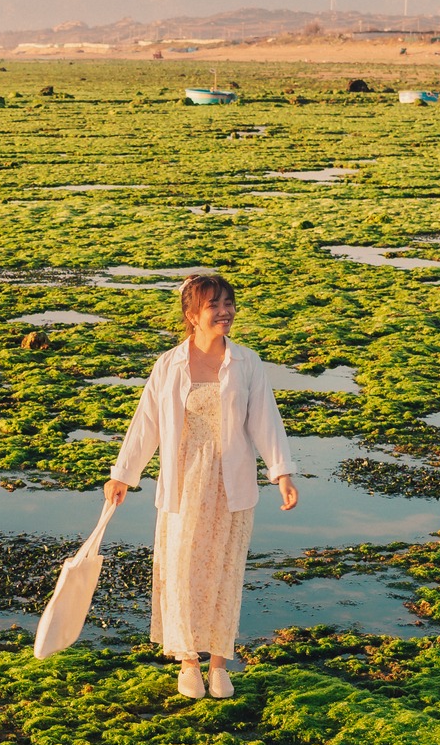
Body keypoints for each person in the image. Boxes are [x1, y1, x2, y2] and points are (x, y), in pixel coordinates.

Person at [105, 274, 298, 700]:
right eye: (214, 305)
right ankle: (189, 660)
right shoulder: (169, 364)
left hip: (232, 486)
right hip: (184, 483)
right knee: (183, 571)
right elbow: (146, 425)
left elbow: (266, 422)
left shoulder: (247, 363)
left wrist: (282, 473)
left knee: (225, 572)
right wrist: (123, 474)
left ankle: (219, 664)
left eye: (229, 303)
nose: (225, 312)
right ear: (192, 315)